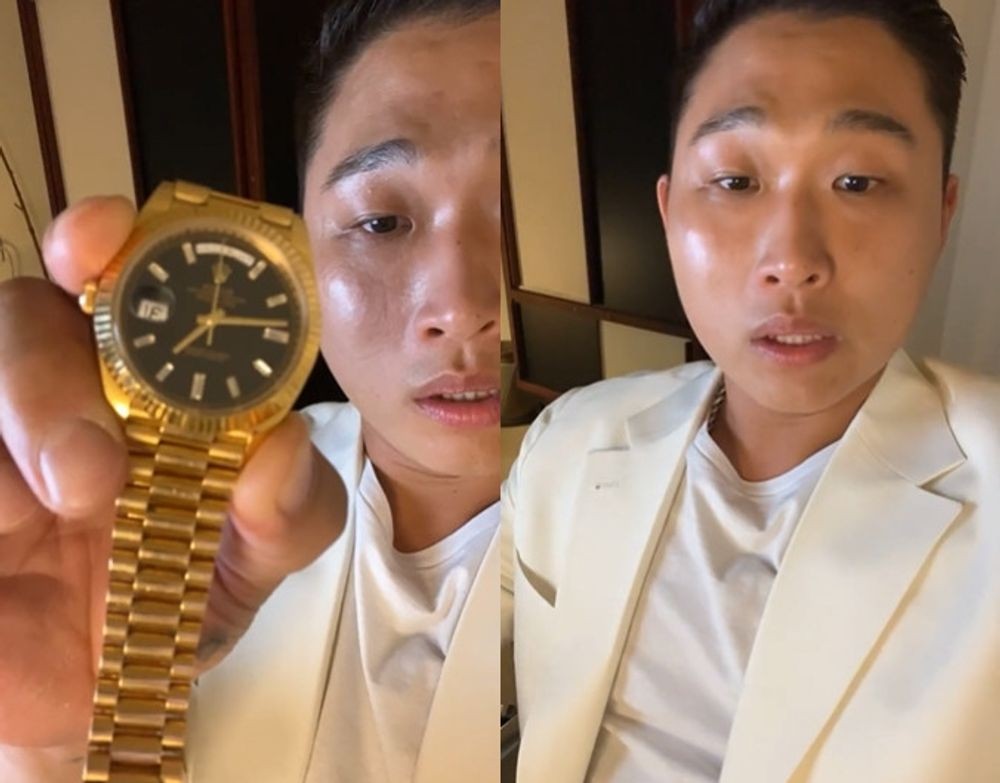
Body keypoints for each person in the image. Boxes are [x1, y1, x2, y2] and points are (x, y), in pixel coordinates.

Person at [0, 1, 500, 781]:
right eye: (381, 221)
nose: (463, 307)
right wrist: (46, 746)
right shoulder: (167, 526)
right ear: (298, 245)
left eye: (516, 213)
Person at [504, 1, 1000, 781]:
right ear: (669, 213)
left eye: (857, 180)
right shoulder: (573, 436)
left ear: (941, 214)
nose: (792, 259)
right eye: (736, 180)